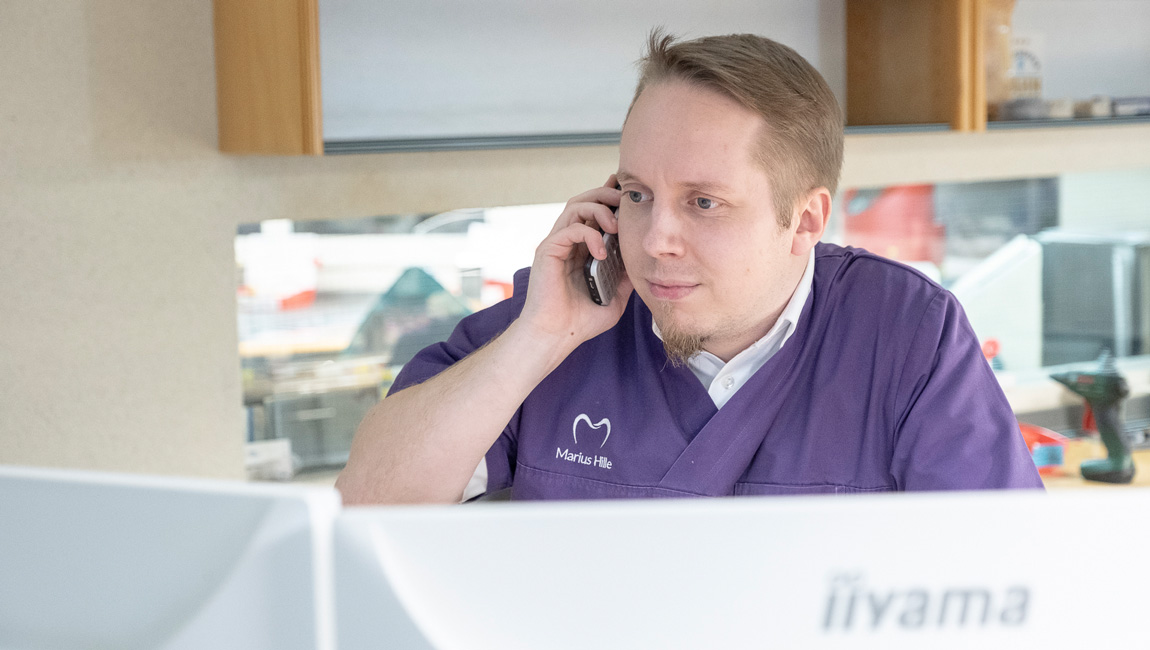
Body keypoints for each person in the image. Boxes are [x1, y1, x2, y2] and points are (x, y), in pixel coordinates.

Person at [336, 31, 1044, 505]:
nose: (655, 242)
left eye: (704, 203)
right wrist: (538, 340)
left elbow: (1004, 578)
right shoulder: (563, 316)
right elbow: (368, 503)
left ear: (805, 221)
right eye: (637, 195)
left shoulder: (906, 335)